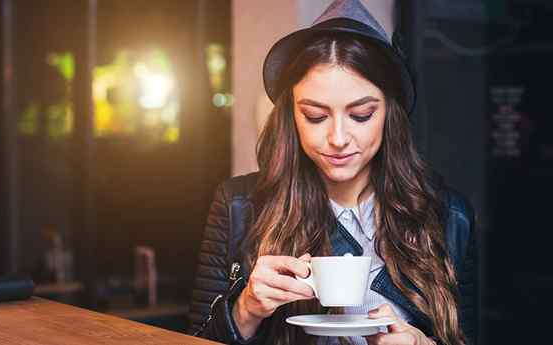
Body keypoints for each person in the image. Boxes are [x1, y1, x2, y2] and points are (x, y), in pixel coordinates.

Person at [188, 1, 477, 345]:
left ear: (390, 114)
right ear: (291, 116)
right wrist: (246, 308)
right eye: (315, 116)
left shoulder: (447, 216)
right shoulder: (239, 207)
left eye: (361, 115)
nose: (338, 139)